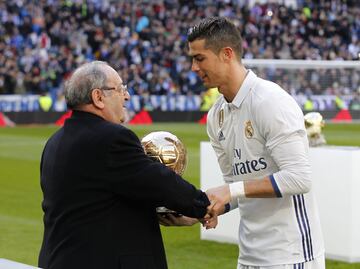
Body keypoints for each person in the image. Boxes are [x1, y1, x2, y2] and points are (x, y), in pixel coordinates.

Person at [38, 61, 210, 269]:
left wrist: (164, 212)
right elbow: (159, 182)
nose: (127, 96)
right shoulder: (112, 138)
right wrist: (202, 205)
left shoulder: (54, 142)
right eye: (120, 89)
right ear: (98, 97)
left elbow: (93, 204)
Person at [187, 17, 325, 269]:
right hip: (249, 257)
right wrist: (202, 208)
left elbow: (299, 178)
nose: (193, 67)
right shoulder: (215, 116)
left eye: (200, 58)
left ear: (227, 54)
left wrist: (232, 190)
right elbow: (238, 187)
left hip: (291, 255)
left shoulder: (270, 101)